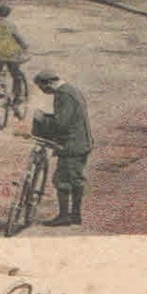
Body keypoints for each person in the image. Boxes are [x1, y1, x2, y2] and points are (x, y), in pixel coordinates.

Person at [30, 69, 94, 226]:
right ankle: (75, 216)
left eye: (43, 88)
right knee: (75, 178)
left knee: (63, 180)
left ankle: (65, 216)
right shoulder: (71, 90)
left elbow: (62, 124)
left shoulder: (63, 95)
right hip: (81, 141)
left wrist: (43, 120)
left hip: (72, 144)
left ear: (49, 83)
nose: (44, 92)